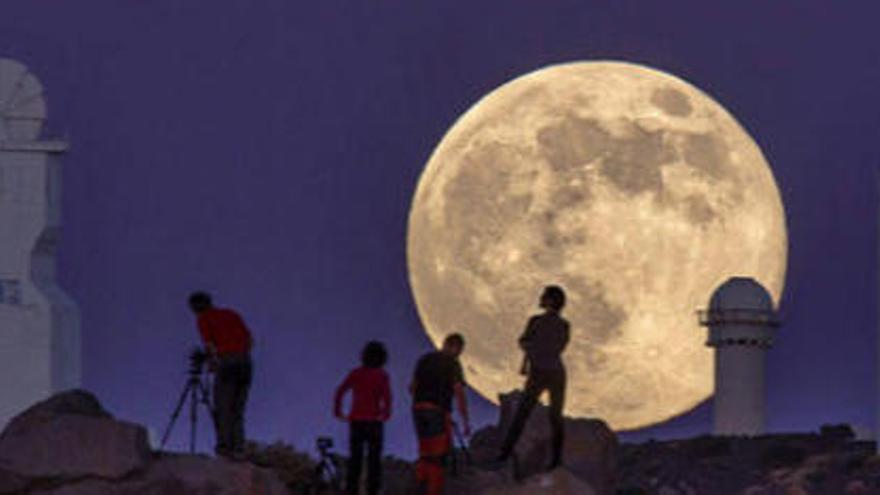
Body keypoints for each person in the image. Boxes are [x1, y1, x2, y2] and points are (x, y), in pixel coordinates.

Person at [497, 285, 570, 471]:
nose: (541, 298)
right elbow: (538, 345)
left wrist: (530, 352)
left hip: (545, 372)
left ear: (551, 300)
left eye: (544, 296)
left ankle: (506, 453)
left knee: (532, 414)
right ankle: (507, 453)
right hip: (551, 371)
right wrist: (527, 359)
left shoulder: (542, 322)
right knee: (543, 415)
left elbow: (527, 343)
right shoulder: (555, 324)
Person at [188, 291, 253, 458]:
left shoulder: (204, 318)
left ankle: (225, 448)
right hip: (245, 362)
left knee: (223, 407)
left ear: (197, 306)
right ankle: (239, 448)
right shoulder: (231, 314)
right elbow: (249, 339)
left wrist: (213, 361)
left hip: (227, 362)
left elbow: (209, 344)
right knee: (237, 409)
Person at [410, 333, 471, 495]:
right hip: (437, 411)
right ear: (457, 348)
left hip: (418, 410)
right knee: (438, 457)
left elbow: (412, 388)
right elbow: (459, 392)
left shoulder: (425, 359)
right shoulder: (453, 364)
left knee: (425, 452)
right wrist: (465, 421)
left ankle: (420, 486)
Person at [333, 341, 392, 495]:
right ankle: (372, 490)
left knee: (355, 458)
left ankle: (351, 490)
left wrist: (338, 411)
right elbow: (387, 398)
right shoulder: (382, 376)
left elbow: (340, 391)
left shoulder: (356, 373)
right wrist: (385, 414)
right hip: (374, 421)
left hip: (356, 420)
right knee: (374, 460)